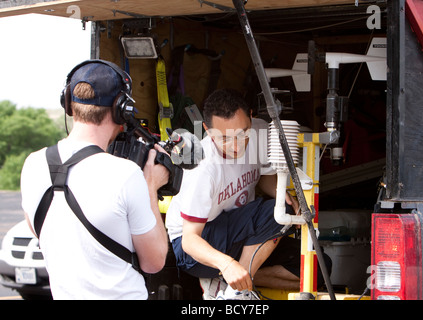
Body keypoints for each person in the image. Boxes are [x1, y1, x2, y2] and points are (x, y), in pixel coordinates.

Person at [20, 60, 169, 300]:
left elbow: (44, 232)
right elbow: (154, 262)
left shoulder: (33, 165)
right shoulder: (127, 174)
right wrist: (150, 185)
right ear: (122, 109)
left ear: (68, 103)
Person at [165, 88, 304, 300]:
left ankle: (231, 282)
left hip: (241, 234)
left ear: (251, 116)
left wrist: (282, 192)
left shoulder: (259, 132)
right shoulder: (202, 168)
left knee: (311, 269)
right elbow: (189, 241)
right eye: (225, 138)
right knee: (275, 211)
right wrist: (227, 264)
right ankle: (238, 292)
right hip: (197, 248)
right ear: (208, 130)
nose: (237, 145)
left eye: (242, 134)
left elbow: (264, 175)